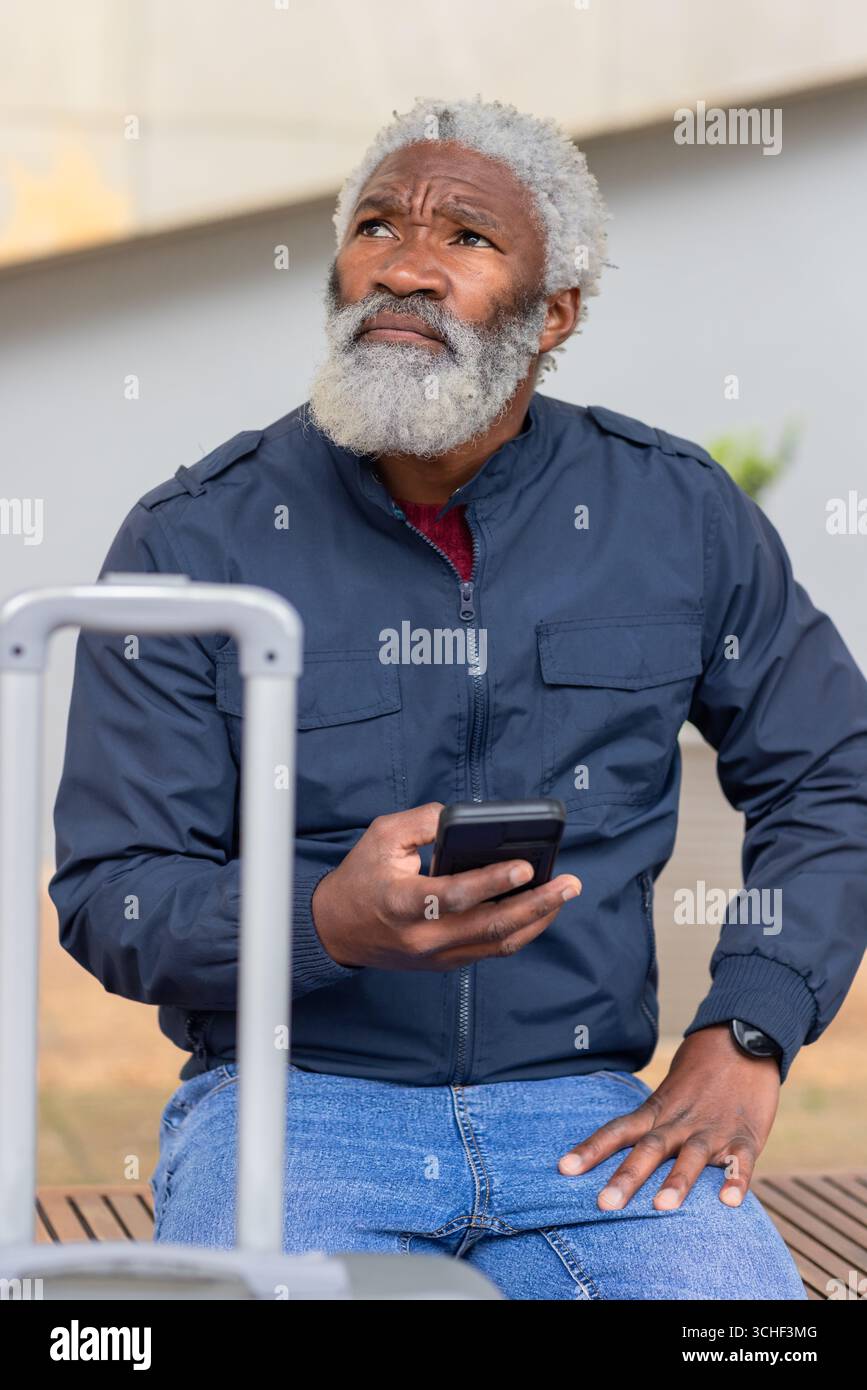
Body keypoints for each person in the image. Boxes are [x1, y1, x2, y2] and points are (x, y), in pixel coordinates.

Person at [49, 97, 867, 1300]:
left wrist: (749, 1028)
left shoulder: (676, 516)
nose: (408, 266)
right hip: (290, 1110)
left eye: (468, 239)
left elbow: (832, 774)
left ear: (557, 316)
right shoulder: (197, 536)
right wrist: (322, 919)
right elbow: (111, 883)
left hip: (590, 1119)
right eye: (377, 226)